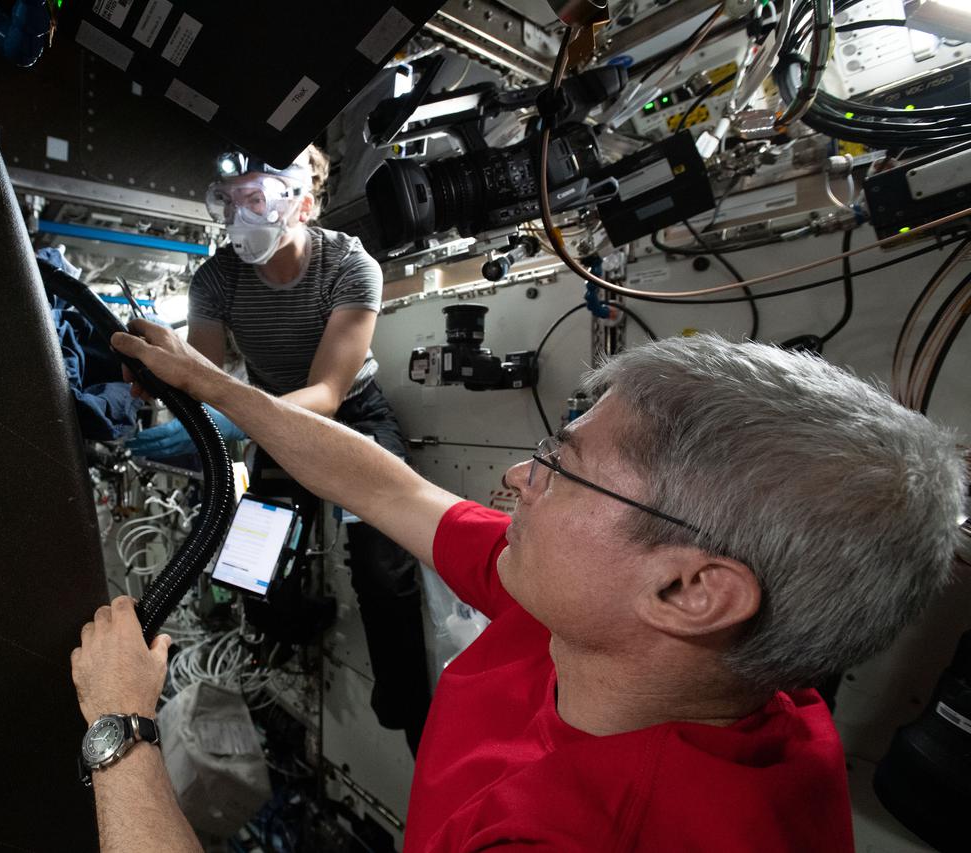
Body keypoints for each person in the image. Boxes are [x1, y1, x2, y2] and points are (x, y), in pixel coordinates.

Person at [71, 326, 967, 851]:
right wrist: (218, 387)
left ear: (694, 588)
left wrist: (121, 725)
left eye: (560, 468)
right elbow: (389, 487)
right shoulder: (612, 618)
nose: (512, 479)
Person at [124, 145, 431, 753]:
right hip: (268, 422)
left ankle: (411, 710)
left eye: (255, 199)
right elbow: (201, 372)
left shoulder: (349, 265)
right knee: (250, 565)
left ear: (303, 204)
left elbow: (327, 391)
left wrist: (236, 417)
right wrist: (157, 376)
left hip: (351, 416)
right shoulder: (216, 278)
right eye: (231, 202)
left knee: (380, 559)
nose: (241, 217)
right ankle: (288, 633)